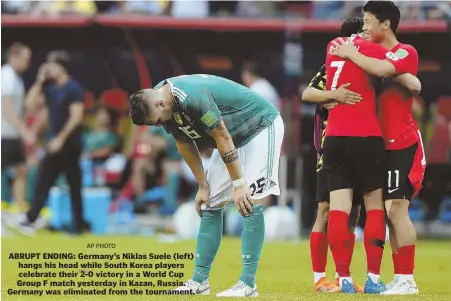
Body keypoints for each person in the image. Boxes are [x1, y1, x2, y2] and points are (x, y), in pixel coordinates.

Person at [129, 74, 283, 297]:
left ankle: (248, 284)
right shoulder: (159, 101)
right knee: (210, 202)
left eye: (159, 120)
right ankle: (199, 282)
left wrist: (239, 184)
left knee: (251, 197)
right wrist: (203, 185)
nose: (162, 125)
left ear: (160, 103)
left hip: (260, 125)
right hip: (231, 136)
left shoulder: (194, 98)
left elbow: (221, 137)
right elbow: (183, 142)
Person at [332, 1, 424, 295]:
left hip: (402, 141)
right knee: (386, 210)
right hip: (375, 143)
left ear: (385, 24)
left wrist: (352, 53)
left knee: (397, 209)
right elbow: (404, 79)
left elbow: (386, 67)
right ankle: (398, 276)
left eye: (369, 21)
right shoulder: (369, 53)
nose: (365, 27)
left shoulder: (404, 51)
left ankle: (407, 278)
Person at [301, 17, 365, 293]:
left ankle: (343, 277)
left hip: (361, 145)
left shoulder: (370, 67)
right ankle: (319, 277)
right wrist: (334, 94)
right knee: (325, 211)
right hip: (331, 146)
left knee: (353, 213)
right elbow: (306, 93)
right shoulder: (331, 67)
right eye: (362, 34)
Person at [9, 51, 87, 236]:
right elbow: (30, 104)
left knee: (73, 184)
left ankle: (78, 224)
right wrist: (39, 80)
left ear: (61, 67)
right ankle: (31, 218)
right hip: (53, 143)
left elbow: (76, 117)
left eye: (51, 65)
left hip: (69, 143)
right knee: (43, 181)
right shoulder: (50, 88)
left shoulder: (73, 88)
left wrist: (61, 138)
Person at [1, 43, 33, 215]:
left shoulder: (16, 77)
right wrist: (24, 131)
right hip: (3, 134)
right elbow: (7, 110)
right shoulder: (6, 77)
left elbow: (21, 107)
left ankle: (20, 212)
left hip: (12, 135)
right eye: (26, 59)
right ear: (14, 56)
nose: (28, 63)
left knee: (21, 170)